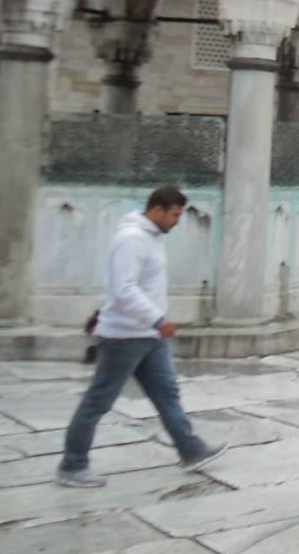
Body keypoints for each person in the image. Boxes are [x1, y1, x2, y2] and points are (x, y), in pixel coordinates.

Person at [57, 186, 226, 488]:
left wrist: (156, 324)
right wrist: (157, 318)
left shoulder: (151, 238)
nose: (177, 221)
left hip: (149, 337)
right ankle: (73, 464)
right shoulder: (131, 239)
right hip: (125, 335)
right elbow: (124, 289)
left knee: (167, 393)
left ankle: (191, 449)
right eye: (174, 214)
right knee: (99, 400)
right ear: (157, 209)